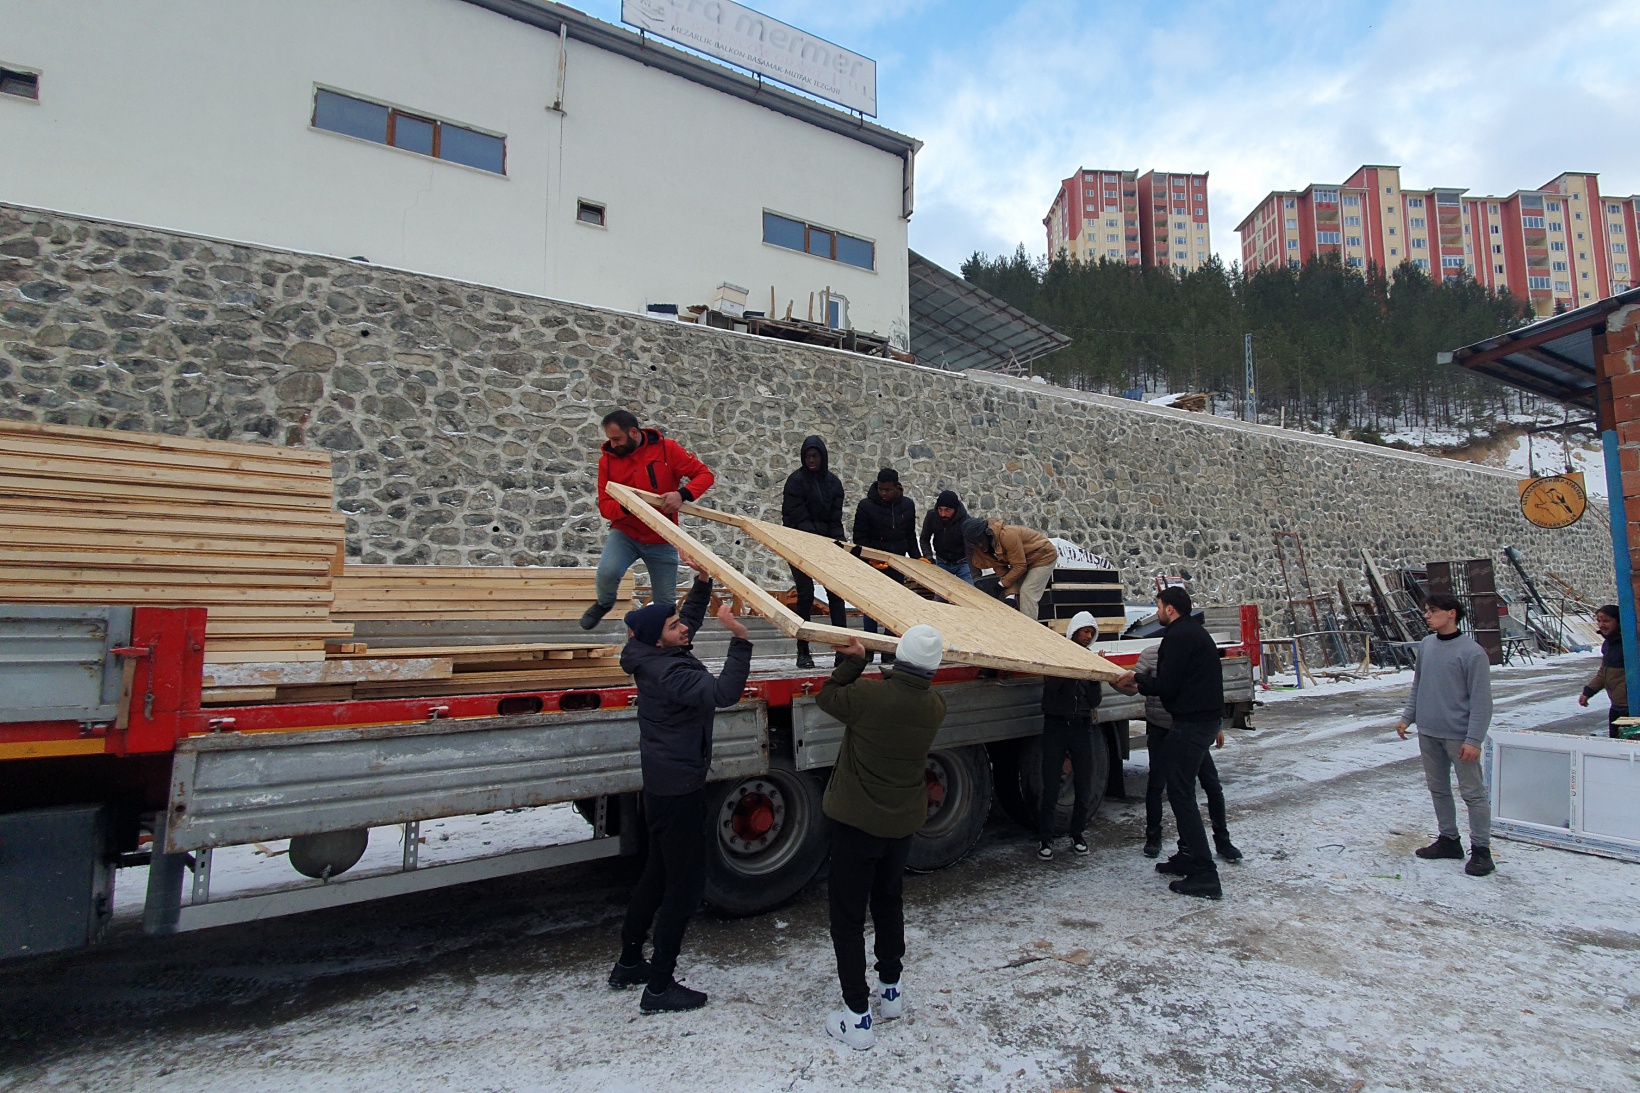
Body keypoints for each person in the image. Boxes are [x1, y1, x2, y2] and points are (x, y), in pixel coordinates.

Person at [609, 555, 752, 1012]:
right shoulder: (672, 672)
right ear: (659, 639)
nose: (683, 629)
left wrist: (703, 581)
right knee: (685, 887)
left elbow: (685, 621)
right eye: (673, 627)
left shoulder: (652, 653)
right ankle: (659, 987)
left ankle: (631, 961)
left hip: (662, 782)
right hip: (679, 789)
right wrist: (741, 640)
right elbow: (722, 694)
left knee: (657, 872)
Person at [816, 625, 948, 1051]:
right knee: (889, 904)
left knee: (848, 918)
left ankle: (857, 1015)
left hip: (857, 823)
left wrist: (855, 659)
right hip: (901, 825)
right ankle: (890, 991)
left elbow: (827, 696)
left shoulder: (869, 697)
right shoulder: (935, 706)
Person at [1115, 586, 1225, 900]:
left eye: (1159, 607)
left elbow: (1167, 687)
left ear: (1170, 609)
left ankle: (1205, 874)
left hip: (1191, 725)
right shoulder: (1196, 633)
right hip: (1200, 722)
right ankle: (1189, 857)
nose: (1157, 613)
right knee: (1183, 791)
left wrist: (1135, 680)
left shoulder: (1177, 637)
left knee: (1180, 793)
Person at [581, 409, 715, 630]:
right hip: (626, 532)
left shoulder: (667, 449)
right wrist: (627, 506)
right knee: (608, 572)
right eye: (610, 440)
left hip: (662, 536)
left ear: (633, 432)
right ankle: (604, 603)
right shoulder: (607, 462)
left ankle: (664, 650)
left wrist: (682, 495)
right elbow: (605, 506)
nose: (613, 445)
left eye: (617, 439)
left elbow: (705, 475)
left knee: (666, 605)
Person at [1395, 593, 1495, 877]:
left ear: (1451, 613)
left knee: (1472, 794)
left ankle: (1482, 851)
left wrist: (1473, 739)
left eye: (1433, 611)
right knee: (1438, 788)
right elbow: (1419, 685)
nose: (1427, 615)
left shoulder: (1472, 652)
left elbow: (1481, 701)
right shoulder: (1427, 645)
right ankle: (1449, 839)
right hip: (1428, 731)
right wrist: (1407, 717)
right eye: (1426, 610)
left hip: (1459, 735)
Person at [1132, 636, 1241, 863]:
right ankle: (1153, 837)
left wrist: (1215, 726)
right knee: (1157, 784)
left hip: (1191, 728)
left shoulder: (1189, 652)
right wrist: (1118, 680)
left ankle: (1220, 840)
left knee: (1209, 785)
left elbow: (1207, 689)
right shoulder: (1151, 653)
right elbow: (1134, 686)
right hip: (1161, 728)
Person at [1036, 611, 1103, 860]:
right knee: (1051, 784)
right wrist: (1069, 670)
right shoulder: (1058, 658)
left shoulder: (1090, 659)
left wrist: (1095, 677)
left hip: (1082, 726)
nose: (1087, 636)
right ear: (1074, 632)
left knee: (1084, 783)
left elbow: (1095, 701)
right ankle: (1046, 839)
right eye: (1084, 631)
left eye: (1090, 633)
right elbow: (1050, 694)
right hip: (1056, 726)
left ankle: (1078, 835)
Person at [781, 435, 849, 668]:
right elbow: (795, 515)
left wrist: (840, 543)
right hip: (799, 542)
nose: (811, 460)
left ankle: (842, 650)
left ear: (822, 457)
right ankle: (803, 650)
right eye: (808, 456)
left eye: (815, 456)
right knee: (805, 594)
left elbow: (835, 518)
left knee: (836, 594)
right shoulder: (795, 482)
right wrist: (815, 539)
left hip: (826, 542)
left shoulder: (834, 484)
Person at [852, 468, 920, 656]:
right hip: (873, 563)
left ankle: (889, 649)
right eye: (881, 489)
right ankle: (870, 647)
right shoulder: (866, 506)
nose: (883, 493)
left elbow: (909, 535)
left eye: (887, 490)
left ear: (896, 488)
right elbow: (859, 537)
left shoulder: (907, 505)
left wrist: (918, 558)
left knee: (895, 606)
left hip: (896, 562)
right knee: (871, 607)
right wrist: (872, 558)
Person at [963, 516, 1058, 623]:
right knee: (1016, 595)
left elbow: (1019, 567)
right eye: (976, 543)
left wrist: (1000, 585)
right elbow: (1005, 575)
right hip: (1024, 561)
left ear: (987, 534)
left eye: (981, 540)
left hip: (1043, 556)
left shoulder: (1008, 535)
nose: (980, 545)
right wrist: (1010, 596)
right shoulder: (984, 550)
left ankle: (1029, 630)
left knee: (1027, 592)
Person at [1577, 604, 1627, 738]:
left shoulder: (1629, 645)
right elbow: (1603, 673)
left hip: (1631, 708)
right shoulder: (1608, 644)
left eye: (1606, 621)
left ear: (1618, 621)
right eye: (1599, 621)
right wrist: (1588, 692)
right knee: (1616, 747)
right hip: (1616, 707)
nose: (1601, 625)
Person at [919, 490, 973, 583]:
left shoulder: (966, 521)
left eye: (947, 510)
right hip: (942, 562)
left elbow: (970, 547)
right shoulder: (931, 516)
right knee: (940, 595)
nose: (943, 514)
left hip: (963, 562)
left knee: (970, 592)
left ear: (955, 509)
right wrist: (928, 557)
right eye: (940, 509)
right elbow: (924, 539)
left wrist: (973, 568)